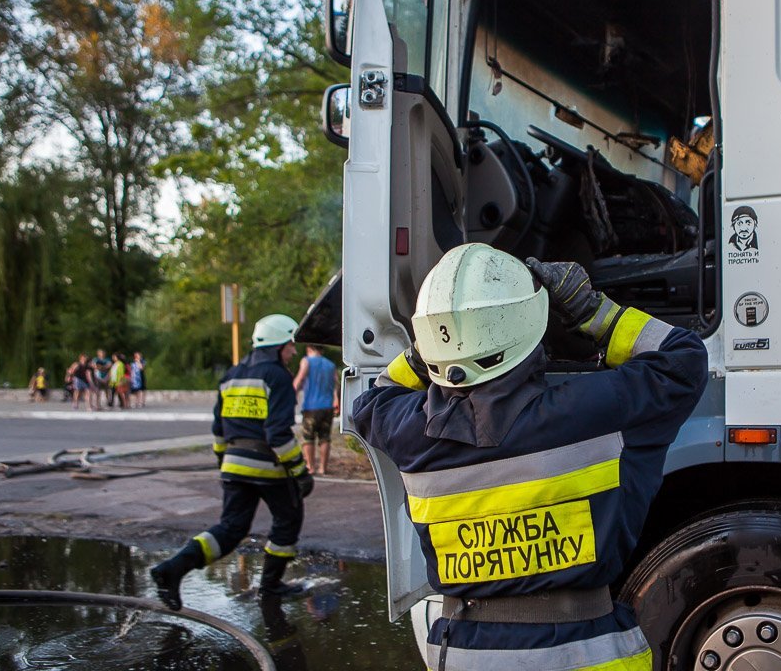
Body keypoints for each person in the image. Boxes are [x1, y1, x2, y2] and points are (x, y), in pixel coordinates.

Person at [352, 244, 708, 671]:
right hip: (587, 654)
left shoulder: (407, 431)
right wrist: (593, 311)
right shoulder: (595, 411)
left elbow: (373, 398)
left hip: (465, 656)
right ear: (529, 322)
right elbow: (682, 361)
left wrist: (433, 345)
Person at [150, 314, 315, 610]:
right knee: (288, 518)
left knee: (231, 529)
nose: (294, 351)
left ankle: (172, 569)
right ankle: (271, 586)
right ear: (278, 346)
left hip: (233, 464)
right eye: (290, 345)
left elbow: (218, 431)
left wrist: (224, 463)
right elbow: (278, 435)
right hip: (268, 466)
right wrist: (300, 471)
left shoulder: (232, 374)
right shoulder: (277, 376)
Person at [293, 346, 339, 475]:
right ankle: (323, 468)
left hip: (311, 406)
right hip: (327, 406)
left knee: (308, 437)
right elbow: (336, 383)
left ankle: (311, 466)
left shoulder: (306, 361)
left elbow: (300, 378)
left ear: (308, 348)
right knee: (325, 437)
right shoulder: (330, 364)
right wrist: (336, 400)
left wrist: (293, 392)